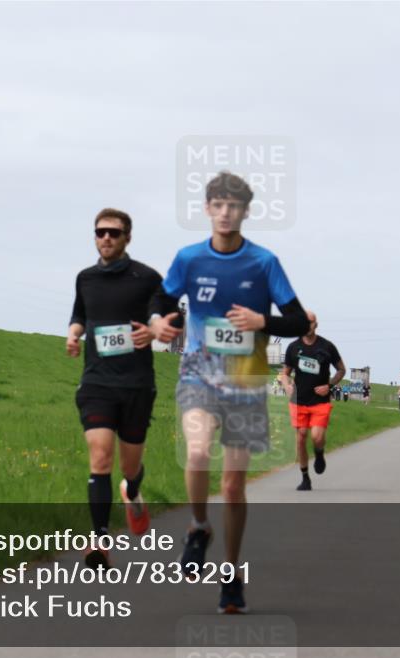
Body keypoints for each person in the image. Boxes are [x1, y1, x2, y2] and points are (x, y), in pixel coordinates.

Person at [149, 171, 309, 614]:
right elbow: (160, 300)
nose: (224, 213)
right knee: (197, 453)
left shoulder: (263, 263)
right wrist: (161, 321)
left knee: (234, 486)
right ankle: (199, 527)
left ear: (244, 211)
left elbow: (298, 321)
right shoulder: (189, 258)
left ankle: (231, 574)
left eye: (233, 206)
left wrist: (264, 322)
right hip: (198, 376)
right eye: (217, 205)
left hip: (245, 383)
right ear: (206, 209)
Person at [68, 208, 162, 569]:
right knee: (101, 457)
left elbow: (164, 314)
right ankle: (100, 540)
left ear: (127, 238)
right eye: (100, 232)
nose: (106, 238)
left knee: (129, 465)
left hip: (137, 384)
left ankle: (133, 490)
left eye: (114, 233)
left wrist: (153, 330)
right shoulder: (85, 279)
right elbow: (79, 314)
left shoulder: (147, 278)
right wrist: (74, 334)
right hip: (96, 382)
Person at [278, 311, 345, 491]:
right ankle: (305, 478)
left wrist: (329, 385)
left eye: (311, 322)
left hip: (319, 400)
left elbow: (341, 370)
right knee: (300, 438)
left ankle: (319, 453)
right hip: (298, 399)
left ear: (316, 324)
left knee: (316, 436)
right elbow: (285, 373)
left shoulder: (327, 346)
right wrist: (286, 385)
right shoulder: (293, 347)